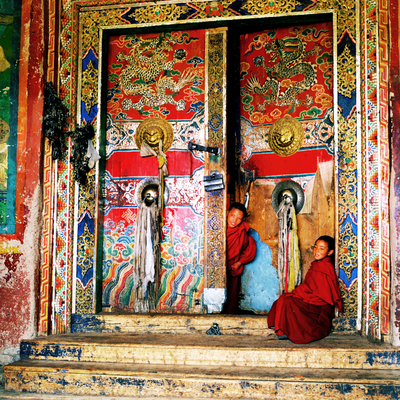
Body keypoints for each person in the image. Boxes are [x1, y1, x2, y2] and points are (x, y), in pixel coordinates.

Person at [268, 235, 342, 343]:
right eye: (315, 247)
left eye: (321, 248)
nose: (316, 250)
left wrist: (300, 291)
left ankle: (288, 331)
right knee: (284, 299)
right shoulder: (317, 264)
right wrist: (301, 292)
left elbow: (322, 296)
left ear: (330, 252)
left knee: (288, 301)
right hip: (311, 301)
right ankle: (284, 328)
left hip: (319, 307)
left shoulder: (325, 267)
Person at [224, 202, 257, 314]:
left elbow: (250, 248)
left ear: (242, 220)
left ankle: (229, 319)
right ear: (227, 213)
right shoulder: (218, 227)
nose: (234, 220)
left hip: (232, 266)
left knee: (231, 295)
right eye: (232, 215)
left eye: (239, 218)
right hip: (217, 265)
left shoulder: (241, 231)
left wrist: (239, 262)